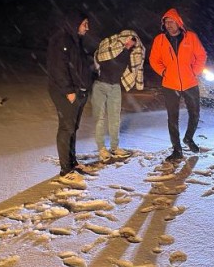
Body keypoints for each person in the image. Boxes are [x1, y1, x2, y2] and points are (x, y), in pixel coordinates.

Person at [149, 8, 207, 162]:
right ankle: (177, 150)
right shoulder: (159, 40)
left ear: (178, 22)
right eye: (166, 22)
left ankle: (189, 138)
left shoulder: (191, 37)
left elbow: (201, 55)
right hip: (170, 84)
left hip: (190, 83)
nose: (169, 25)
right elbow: (154, 59)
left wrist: (194, 71)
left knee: (195, 114)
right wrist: (163, 72)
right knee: (172, 118)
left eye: (171, 21)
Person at [46, 10, 95, 189]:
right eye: (85, 24)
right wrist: (68, 91)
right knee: (66, 127)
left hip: (79, 92)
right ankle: (65, 171)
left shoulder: (76, 41)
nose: (87, 28)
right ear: (76, 23)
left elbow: (79, 67)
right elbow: (58, 68)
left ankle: (72, 163)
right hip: (66, 93)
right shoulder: (61, 39)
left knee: (73, 127)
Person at [92, 29, 145, 162]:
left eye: (133, 43)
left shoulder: (131, 54)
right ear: (124, 38)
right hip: (100, 85)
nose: (130, 45)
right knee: (99, 118)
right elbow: (99, 56)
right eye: (129, 41)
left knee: (115, 118)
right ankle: (101, 149)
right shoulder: (109, 47)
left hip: (115, 87)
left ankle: (115, 148)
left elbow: (138, 67)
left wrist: (139, 83)